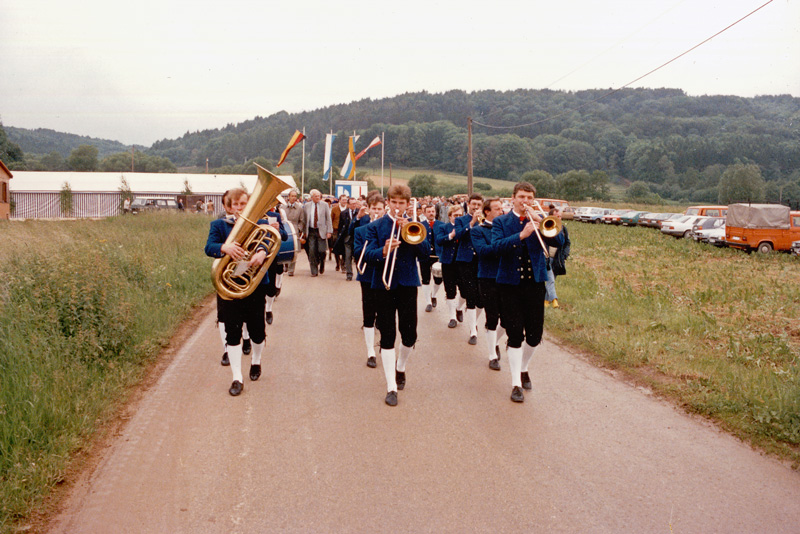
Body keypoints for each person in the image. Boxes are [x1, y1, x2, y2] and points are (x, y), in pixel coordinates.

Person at [492, 182, 565, 403]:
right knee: (515, 333)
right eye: (522, 197)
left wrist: (542, 222)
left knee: (535, 336)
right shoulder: (501, 221)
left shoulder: (540, 220)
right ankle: (515, 383)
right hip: (509, 284)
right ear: (513, 198)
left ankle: (524, 368)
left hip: (535, 284)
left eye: (530, 198)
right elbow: (496, 247)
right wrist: (521, 235)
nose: (526, 201)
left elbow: (559, 241)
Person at [363, 184, 430, 406]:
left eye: (402, 203)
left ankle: (401, 366)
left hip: (408, 283)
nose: (398, 206)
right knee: (388, 335)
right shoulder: (376, 226)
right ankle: (391, 386)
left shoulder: (416, 225)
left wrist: (409, 231)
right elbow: (368, 256)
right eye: (394, 202)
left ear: (407, 203)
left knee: (410, 334)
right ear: (388, 203)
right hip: (383, 285)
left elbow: (425, 254)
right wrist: (383, 250)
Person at [205, 188, 271, 397]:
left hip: (254, 285)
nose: (239, 208)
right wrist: (224, 248)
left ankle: (256, 361)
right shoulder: (218, 225)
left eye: (243, 204)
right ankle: (236, 377)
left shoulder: (260, 223)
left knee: (257, 332)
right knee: (233, 333)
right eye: (235, 205)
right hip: (229, 286)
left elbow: (267, 242)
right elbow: (209, 247)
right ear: (227, 207)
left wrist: (262, 252)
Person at [471, 198, 505, 370]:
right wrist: (505, 244)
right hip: (487, 277)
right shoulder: (478, 230)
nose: (501, 211)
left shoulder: (507, 229)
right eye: (497, 208)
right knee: (492, 316)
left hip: (506, 277)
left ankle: (495, 342)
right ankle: (492, 355)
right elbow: (483, 251)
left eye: (501, 208)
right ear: (487, 212)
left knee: (507, 320)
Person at [353, 194, 385, 368]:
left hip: (385, 275)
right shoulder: (360, 230)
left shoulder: (389, 229)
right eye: (374, 209)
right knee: (368, 314)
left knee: (384, 312)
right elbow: (358, 253)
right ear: (369, 210)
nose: (377, 212)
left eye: (380, 209)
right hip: (367, 275)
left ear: (384, 210)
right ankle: (370, 352)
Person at [452, 193, 484, 345]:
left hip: (481, 261)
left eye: (479, 204)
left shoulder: (486, 220)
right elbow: (457, 235)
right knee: (469, 294)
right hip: (464, 260)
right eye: (474, 204)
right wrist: (472, 222)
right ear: (468, 204)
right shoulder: (460, 220)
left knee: (480, 298)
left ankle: (466, 315)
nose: (476, 207)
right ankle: (473, 331)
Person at [435, 204, 464, 329]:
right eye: (455, 216)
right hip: (448, 262)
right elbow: (439, 240)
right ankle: (452, 317)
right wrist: (450, 236)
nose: (457, 218)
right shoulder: (444, 227)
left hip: (463, 263)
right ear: (450, 216)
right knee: (450, 290)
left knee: (465, 291)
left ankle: (459, 308)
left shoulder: (466, 228)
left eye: (460, 215)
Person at [263, 208, 288, 325]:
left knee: (270, 285)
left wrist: (278, 229)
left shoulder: (274, 215)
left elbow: (285, 236)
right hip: (254, 254)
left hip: (271, 254)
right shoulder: (252, 214)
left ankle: (268, 309)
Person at [302, 189, 333, 276]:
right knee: (312, 251)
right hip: (311, 231)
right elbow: (304, 220)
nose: (318, 197)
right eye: (316, 196)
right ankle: (314, 271)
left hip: (321, 231)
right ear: (311, 197)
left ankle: (322, 262)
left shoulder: (325, 205)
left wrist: (329, 231)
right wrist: (304, 232)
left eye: (319, 196)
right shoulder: (307, 206)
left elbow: (328, 219)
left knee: (322, 250)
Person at [544, 207, 570, 309]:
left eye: (560, 216)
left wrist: (564, 256)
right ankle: (554, 300)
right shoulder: (545, 226)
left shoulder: (563, 228)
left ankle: (546, 300)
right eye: (557, 216)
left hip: (556, 258)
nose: (559, 218)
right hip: (546, 257)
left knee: (552, 280)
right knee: (550, 280)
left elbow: (567, 243)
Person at [420, 204, 443, 312]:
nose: (431, 213)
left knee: (438, 279)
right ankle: (428, 302)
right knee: (425, 279)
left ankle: (433, 295)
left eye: (433, 211)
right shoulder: (420, 225)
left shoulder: (442, 225)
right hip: (424, 255)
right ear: (424, 213)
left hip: (438, 255)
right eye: (428, 211)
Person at [283, 190, 305, 276]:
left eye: (295, 196)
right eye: (292, 196)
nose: (293, 198)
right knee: (285, 248)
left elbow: (302, 221)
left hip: (294, 231)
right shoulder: (283, 207)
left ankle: (291, 269)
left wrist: (299, 229)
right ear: (288, 196)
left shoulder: (300, 208)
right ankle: (285, 264)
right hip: (285, 230)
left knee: (294, 250)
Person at [330, 194, 347, 269]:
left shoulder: (348, 209)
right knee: (335, 247)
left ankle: (343, 263)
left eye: (345, 200)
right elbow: (331, 220)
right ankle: (338, 262)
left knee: (344, 248)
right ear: (339, 200)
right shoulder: (334, 209)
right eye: (343, 200)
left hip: (345, 231)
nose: (344, 201)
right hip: (336, 230)